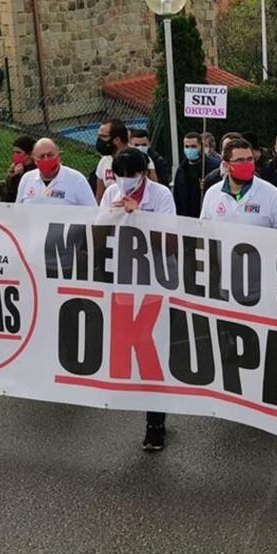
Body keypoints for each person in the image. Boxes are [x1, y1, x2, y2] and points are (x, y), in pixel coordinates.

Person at [100, 147, 177, 450]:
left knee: (150, 346)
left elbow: (171, 240)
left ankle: (155, 423)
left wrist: (140, 216)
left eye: (130, 175)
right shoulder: (110, 194)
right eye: (119, 175)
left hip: (156, 281)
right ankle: (147, 405)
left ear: (143, 174)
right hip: (124, 280)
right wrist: (112, 213)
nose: (124, 181)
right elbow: (96, 233)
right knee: (129, 346)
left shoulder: (160, 196)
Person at [200, 137, 277, 229]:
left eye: (250, 159)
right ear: (226, 165)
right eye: (240, 160)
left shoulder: (272, 194)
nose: (246, 164)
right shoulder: (212, 194)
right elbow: (204, 230)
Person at [15, 138, 98, 207]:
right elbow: (18, 212)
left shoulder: (77, 179)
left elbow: (92, 212)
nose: (46, 159)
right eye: (41, 156)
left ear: (58, 155)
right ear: (34, 160)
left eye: (50, 155)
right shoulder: (27, 178)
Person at [4, 135, 36, 203]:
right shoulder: (15, 168)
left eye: (18, 152)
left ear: (29, 154)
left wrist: (19, 177)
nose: (15, 155)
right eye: (14, 152)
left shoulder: (34, 170)